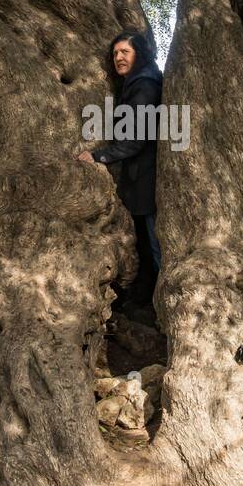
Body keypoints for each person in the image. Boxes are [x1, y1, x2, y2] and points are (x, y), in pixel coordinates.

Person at [77, 30, 162, 303]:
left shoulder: (145, 85)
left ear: (139, 54)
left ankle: (161, 303)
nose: (118, 57)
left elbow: (135, 140)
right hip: (141, 179)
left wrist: (99, 156)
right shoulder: (137, 82)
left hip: (148, 179)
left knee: (155, 244)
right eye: (115, 53)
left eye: (125, 52)